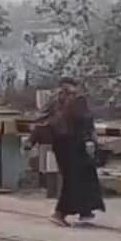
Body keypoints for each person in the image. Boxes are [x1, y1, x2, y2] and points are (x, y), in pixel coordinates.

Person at [40, 77, 105, 226]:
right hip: (74, 144)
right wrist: (92, 140)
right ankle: (60, 213)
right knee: (76, 179)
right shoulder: (77, 99)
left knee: (79, 177)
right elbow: (85, 121)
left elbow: (43, 117)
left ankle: (85, 210)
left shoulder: (53, 99)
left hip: (60, 144)